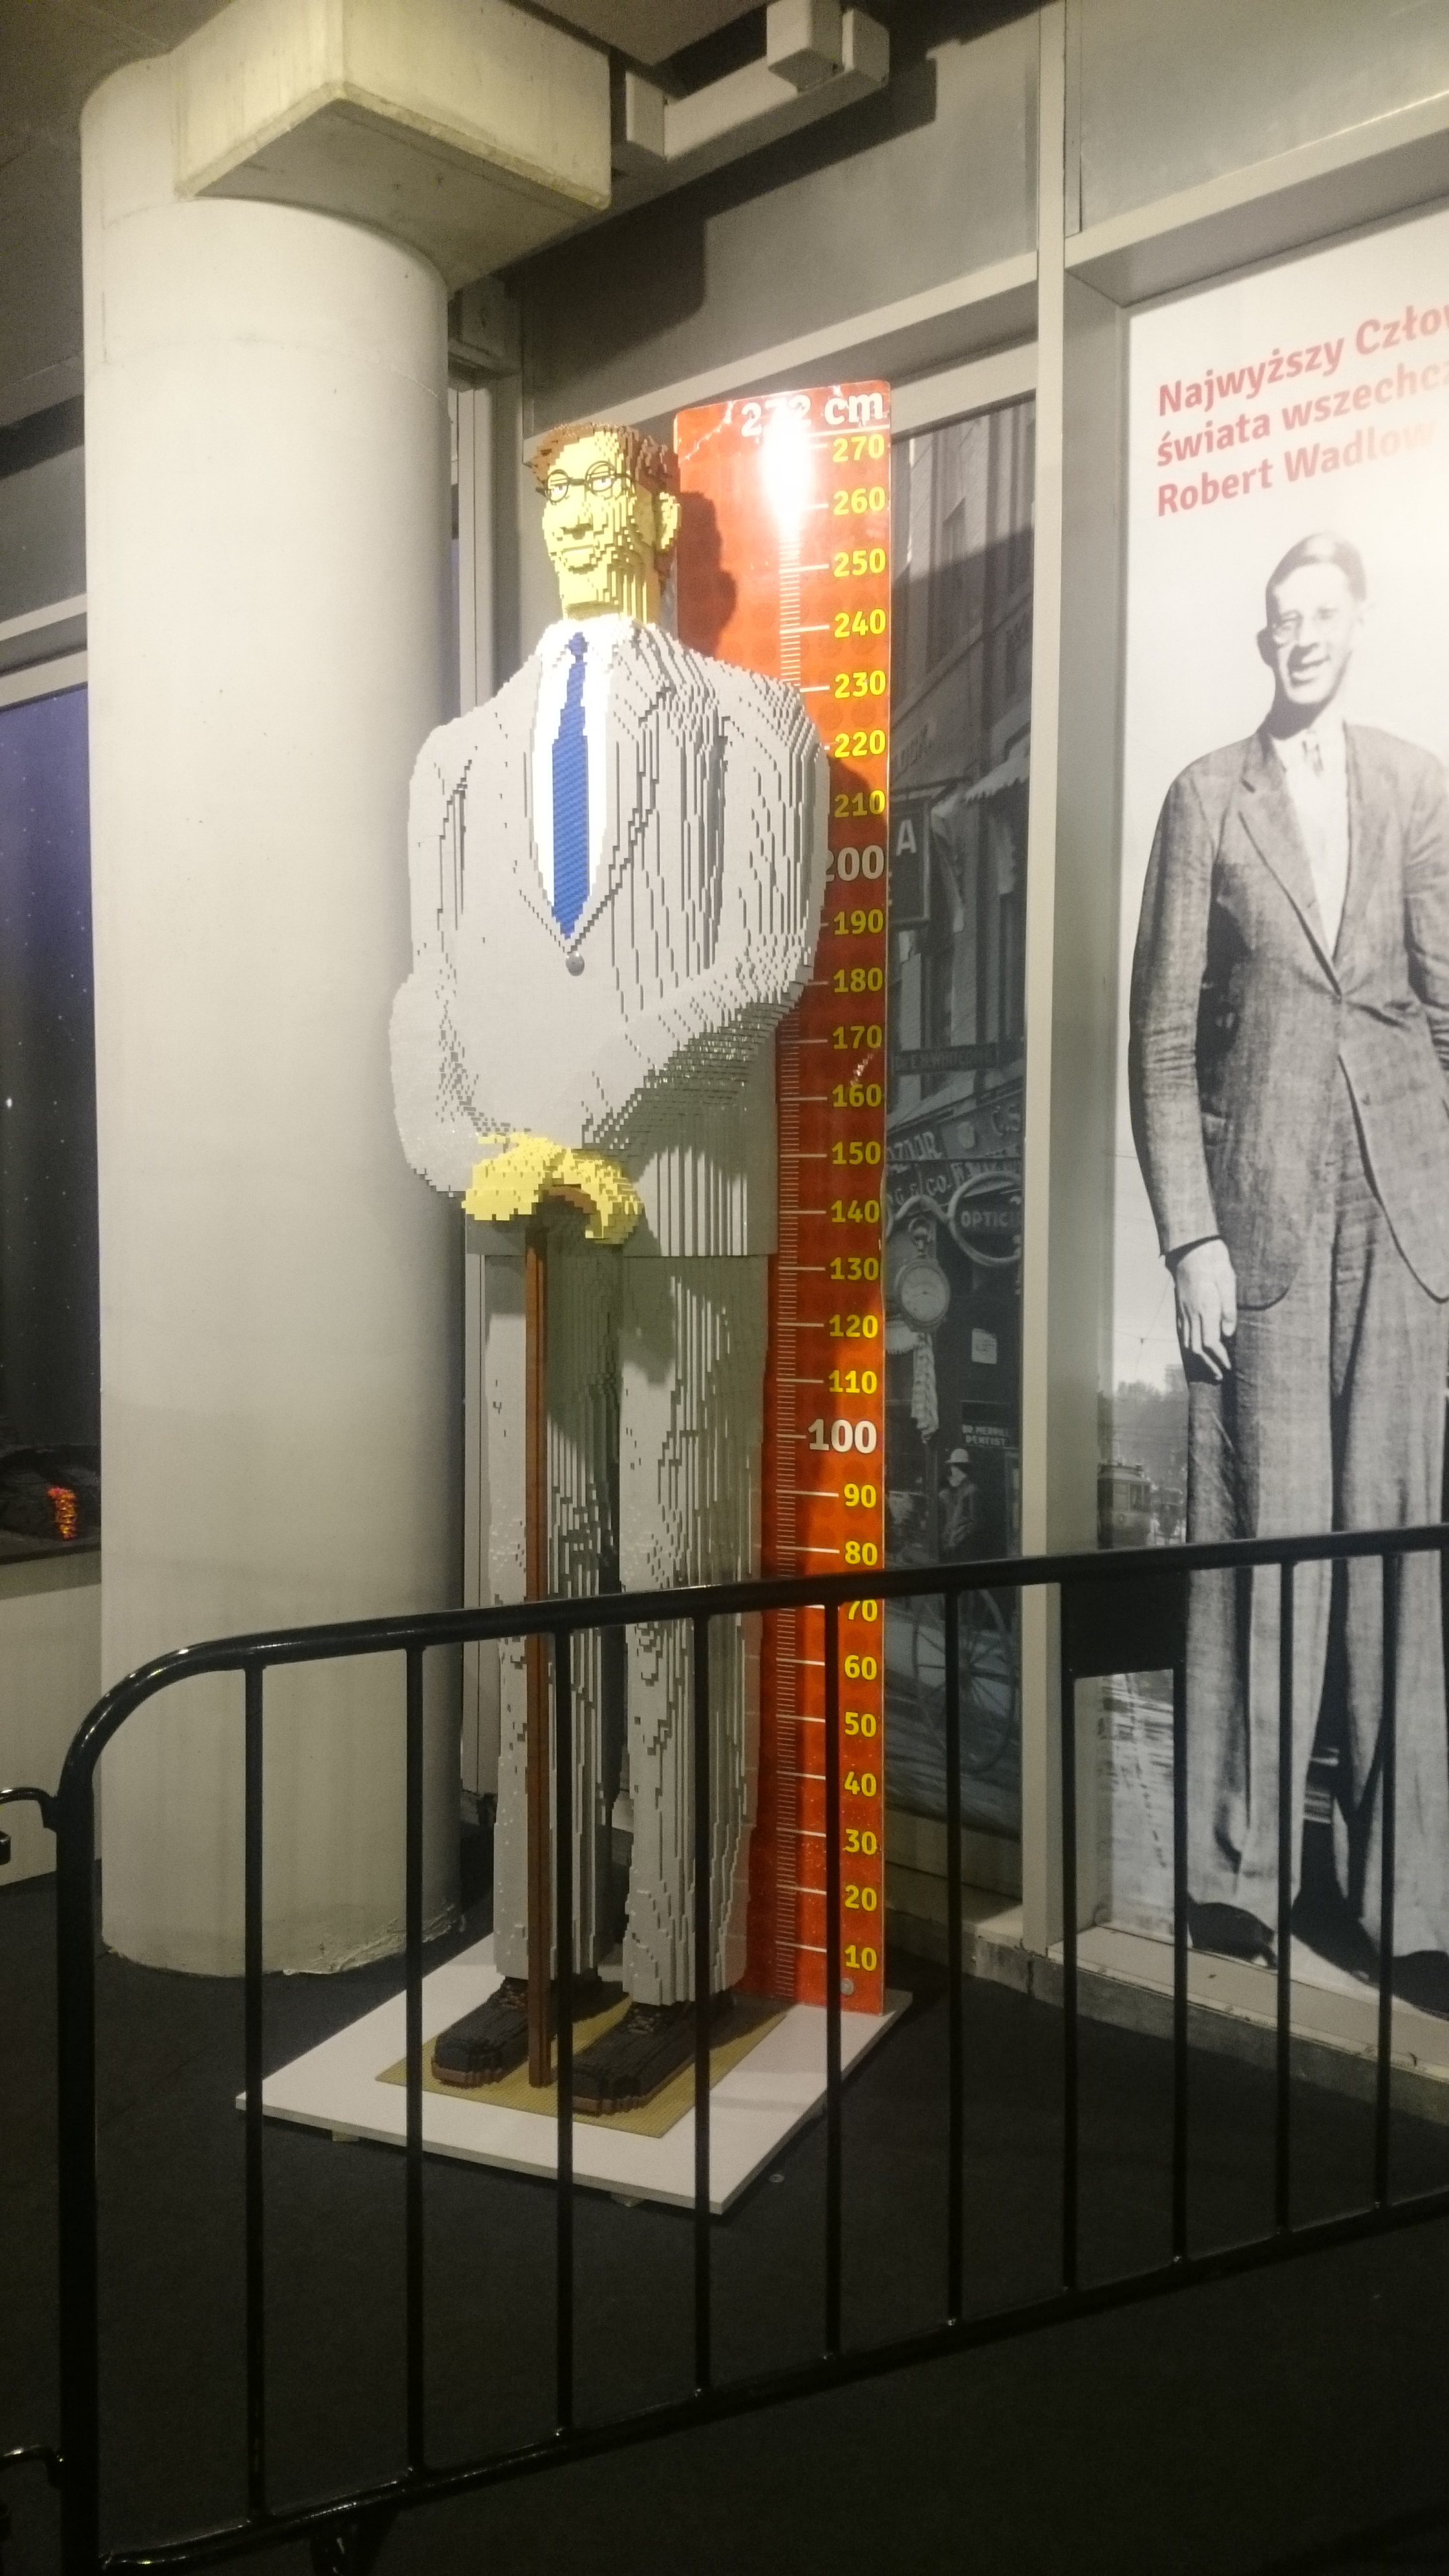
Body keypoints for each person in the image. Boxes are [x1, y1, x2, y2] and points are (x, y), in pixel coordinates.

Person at [391, 420, 827, 2106]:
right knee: (538, 1585)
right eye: (555, 495)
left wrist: (579, 1114)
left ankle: (679, 1962)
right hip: (529, 1220)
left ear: (659, 513)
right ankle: (539, 1947)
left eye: (604, 492)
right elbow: (429, 995)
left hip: (685, 1207)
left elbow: (766, 955)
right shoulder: (458, 760)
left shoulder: (753, 721)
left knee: (680, 1581)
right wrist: (475, 1153)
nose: (578, 518)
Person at [1128, 531, 1449, 2013]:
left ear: (1359, 624)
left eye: (1322, 615)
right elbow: (1162, 1041)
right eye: (1281, 620)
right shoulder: (1207, 797)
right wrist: (1191, 1238)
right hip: (1256, 1221)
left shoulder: (1418, 785)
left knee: (1399, 1549)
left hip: (1403, 1214)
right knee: (1264, 1540)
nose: (1301, 638)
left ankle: (1410, 1904)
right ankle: (1235, 1881)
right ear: (1262, 640)